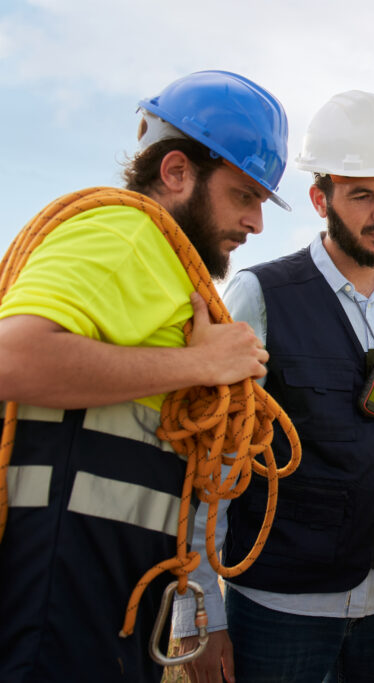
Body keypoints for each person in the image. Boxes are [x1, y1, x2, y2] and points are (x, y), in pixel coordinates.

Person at [172, 90, 374, 683]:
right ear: (320, 198)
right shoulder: (260, 296)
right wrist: (200, 610)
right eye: (361, 195)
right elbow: (212, 464)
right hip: (279, 607)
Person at [0, 70, 289, 682]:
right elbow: (13, 359)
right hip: (55, 586)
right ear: (178, 172)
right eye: (245, 195)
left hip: (103, 596)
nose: (257, 224)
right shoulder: (124, 233)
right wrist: (203, 364)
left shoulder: (166, 267)